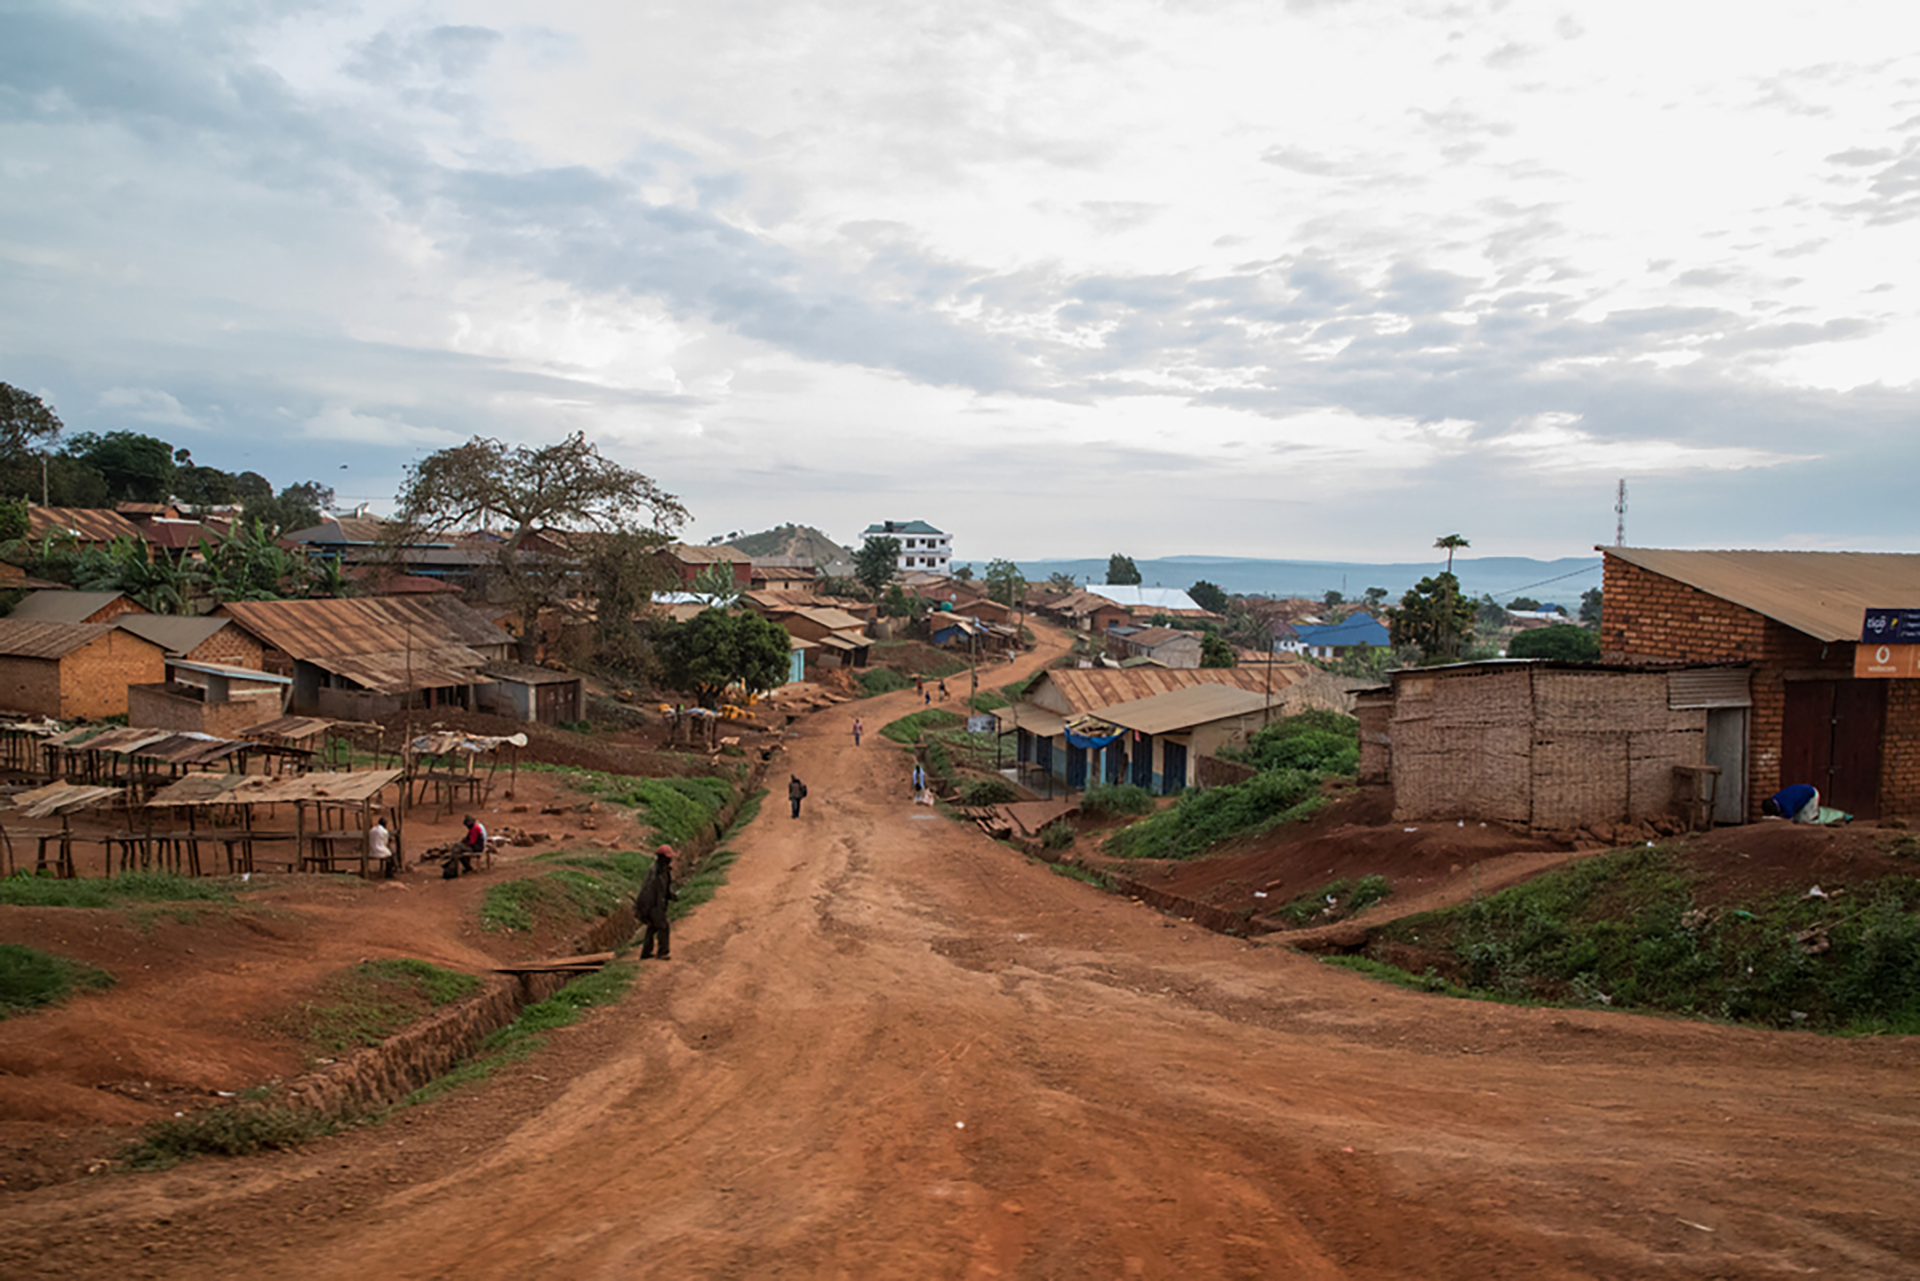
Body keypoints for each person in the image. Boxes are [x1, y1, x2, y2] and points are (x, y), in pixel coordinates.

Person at [635, 844, 676, 960]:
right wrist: (646, 911)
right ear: (662, 858)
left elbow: (665, 888)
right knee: (663, 926)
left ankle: (646, 953)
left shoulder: (664, 871)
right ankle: (662, 952)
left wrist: (670, 896)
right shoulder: (655, 873)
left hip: (657, 905)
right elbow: (648, 893)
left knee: (652, 928)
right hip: (652, 906)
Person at [368, 814, 394, 878]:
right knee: (391, 855)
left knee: (389, 854)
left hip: (371, 851)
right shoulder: (384, 832)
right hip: (380, 850)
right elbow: (386, 843)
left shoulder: (372, 830)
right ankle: (388, 873)